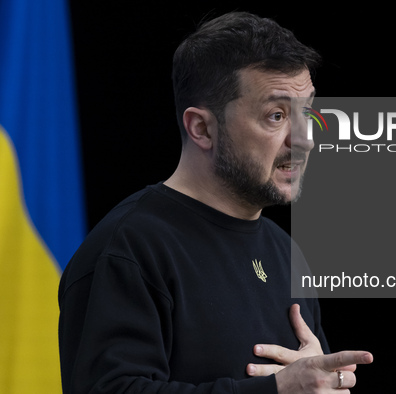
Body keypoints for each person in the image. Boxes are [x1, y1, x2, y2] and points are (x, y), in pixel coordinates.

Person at [58, 11, 372, 393]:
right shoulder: (129, 248)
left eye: (306, 112)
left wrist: (325, 385)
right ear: (202, 128)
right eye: (276, 115)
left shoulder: (284, 252)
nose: (304, 139)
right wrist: (277, 390)